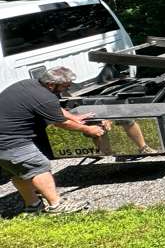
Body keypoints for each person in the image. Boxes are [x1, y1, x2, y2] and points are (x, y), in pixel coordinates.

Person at [0, 67, 104, 214]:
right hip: (10, 140)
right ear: (51, 84)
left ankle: (33, 206)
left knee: (19, 173)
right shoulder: (44, 96)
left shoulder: (29, 85)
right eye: (65, 86)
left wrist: (73, 117)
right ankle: (56, 205)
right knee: (39, 166)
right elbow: (61, 123)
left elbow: (52, 108)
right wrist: (88, 129)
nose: (67, 88)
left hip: (3, 140)